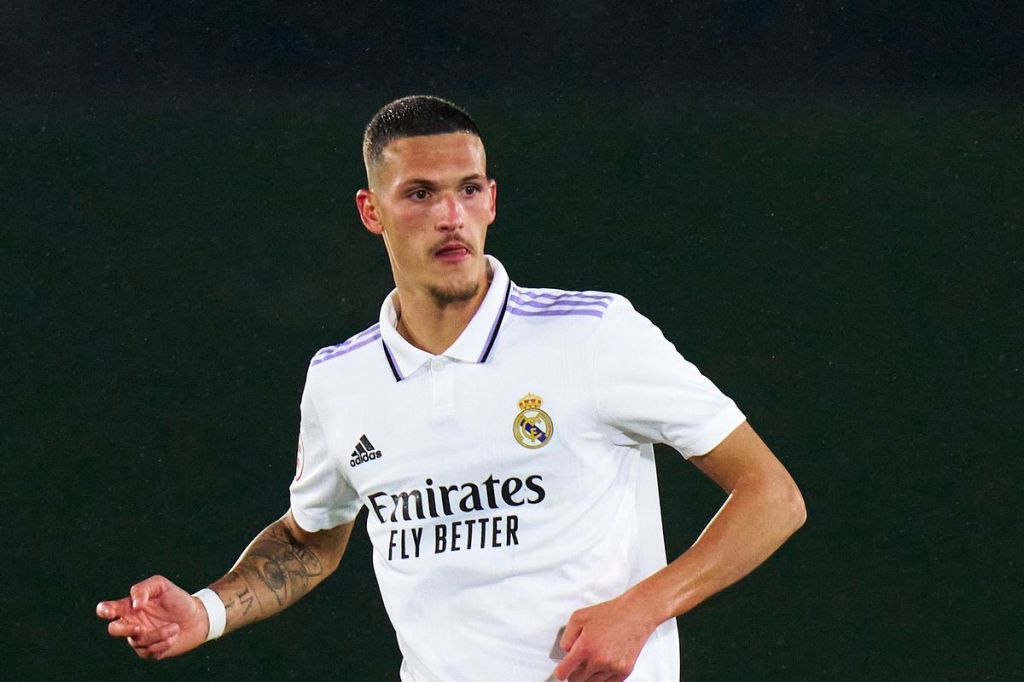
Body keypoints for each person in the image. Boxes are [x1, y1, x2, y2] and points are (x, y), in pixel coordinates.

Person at [97, 95, 806, 682]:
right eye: (420, 194)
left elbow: (772, 496)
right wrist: (206, 611)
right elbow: (311, 540)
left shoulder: (593, 334)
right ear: (371, 211)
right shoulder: (340, 379)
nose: (450, 215)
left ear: (492, 200)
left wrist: (645, 607)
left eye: (468, 189)